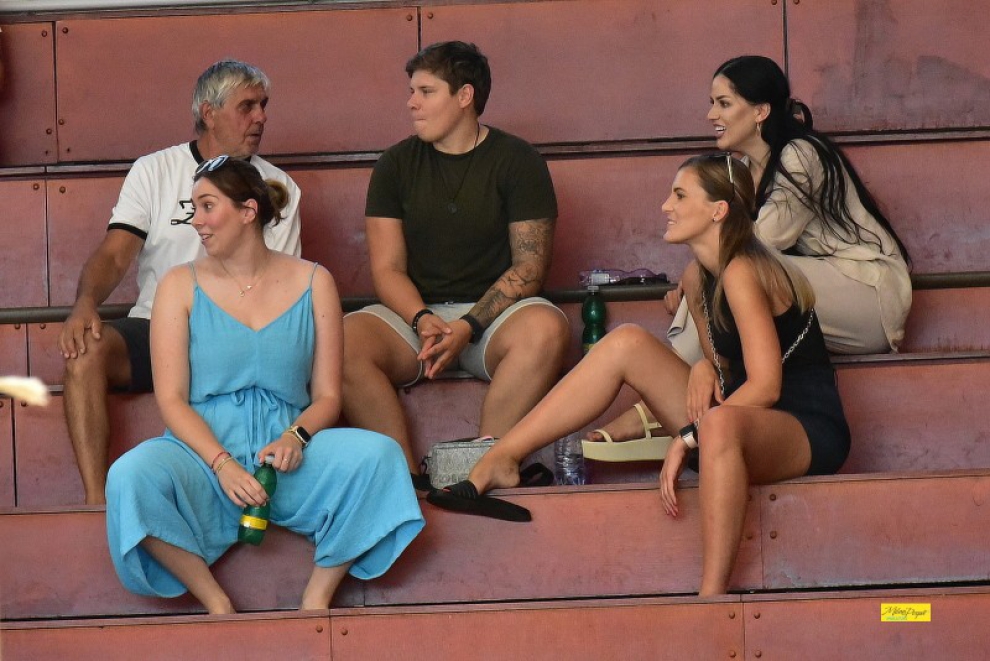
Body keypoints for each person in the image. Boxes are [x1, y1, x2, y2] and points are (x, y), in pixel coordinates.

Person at [432, 154, 850, 596]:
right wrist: (705, 366)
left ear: (718, 210)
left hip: (802, 427)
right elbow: (726, 366)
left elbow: (766, 386)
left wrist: (687, 437)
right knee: (627, 341)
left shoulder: (743, 270)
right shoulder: (699, 276)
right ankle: (502, 458)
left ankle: (711, 600)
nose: (666, 206)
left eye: (680, 195)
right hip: (735, 421)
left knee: (718, 424)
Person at [105, 157, 423, 614]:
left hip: (285, 454)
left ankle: (317, 596)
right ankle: (215, 601)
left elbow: (328, 396)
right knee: (129, 476)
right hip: (201, 455)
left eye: (207, 206)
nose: (196, 221)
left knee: (381, 456)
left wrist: (296, 437)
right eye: (194, 208)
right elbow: (171, 399)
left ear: (248, 211)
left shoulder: (315, 281)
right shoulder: (178, 284)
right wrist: (221, 465)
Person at [588, 54, 911, 453]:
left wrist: (694, 281)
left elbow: (756, 244)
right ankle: (680, 401)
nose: (711, 114)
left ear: (760, 111)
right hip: (814, 298)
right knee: (717, 275)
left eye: (724, 103)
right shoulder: (743, 169)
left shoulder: (802, 154)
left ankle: (659, 410)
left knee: (725, 272)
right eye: (712, 103)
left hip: (867, 299)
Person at [58, 59, 302, 504]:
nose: (261, 117)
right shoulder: (154, 170)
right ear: (209, 112)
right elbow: (114, 253)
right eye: (247, 106)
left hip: (234, 335)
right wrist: (85, 302)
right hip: (156, 326)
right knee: (84, 351)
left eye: (263, 105)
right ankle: (95, 503)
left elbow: (280, 286)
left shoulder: (277, 186)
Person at [342, 41, 568, 479]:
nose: (412, 102)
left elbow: (529, 268)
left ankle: (483, 470)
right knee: (341, 340)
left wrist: (468, 326)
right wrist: (421, 317)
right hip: (414, 321)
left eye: (426, 91)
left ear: (465, 96)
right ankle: (402, 480)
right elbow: (387, 269)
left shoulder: (518, 159)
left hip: (493, 321)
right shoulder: (395, 164)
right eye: (412, 91)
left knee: (547, 328)